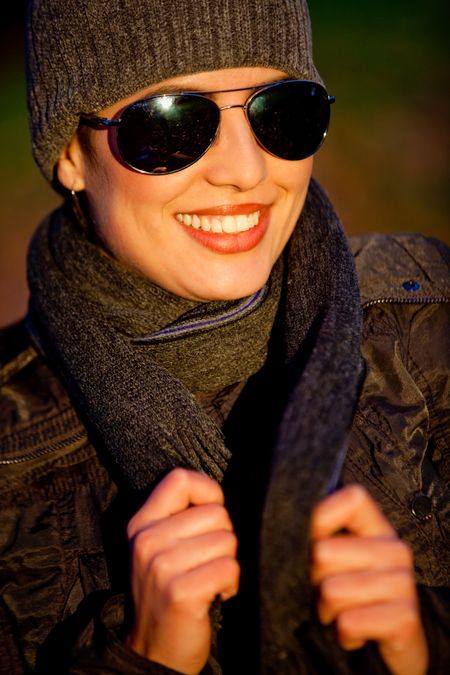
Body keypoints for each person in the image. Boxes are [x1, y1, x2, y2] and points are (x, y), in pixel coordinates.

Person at [0, 0, 449, 673]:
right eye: (173, 124)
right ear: (69, 154)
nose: (243, 169)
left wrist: (425, 643)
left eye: (282, 112)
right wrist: (143, 659)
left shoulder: (432, 319)